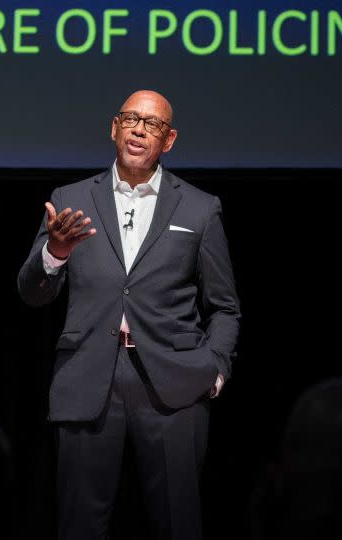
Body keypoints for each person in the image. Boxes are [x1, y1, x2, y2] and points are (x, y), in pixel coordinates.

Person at [17, 90, 241, 539]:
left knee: (178, 522)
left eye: (153, 124)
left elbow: (224, 306)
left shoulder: (199, 207)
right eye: (131, 120)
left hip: (174, 381)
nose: (140, 130)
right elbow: (33, 293)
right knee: (78, 524)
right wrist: (55, 252)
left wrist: (214, 368)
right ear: (114, 128)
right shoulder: (71, 197)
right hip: (88, 379)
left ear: (169, 139)